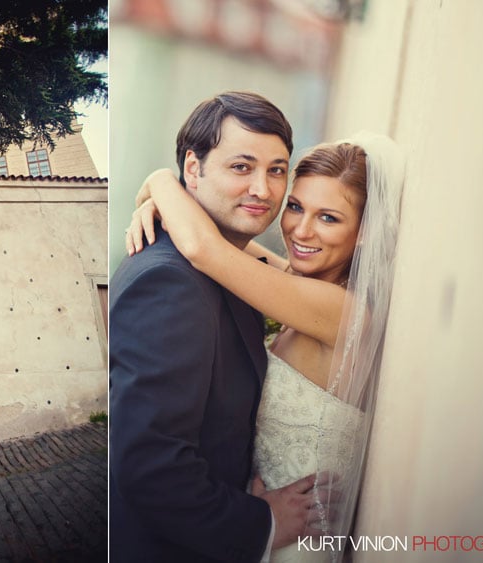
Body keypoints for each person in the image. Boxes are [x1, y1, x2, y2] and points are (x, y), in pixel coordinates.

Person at [126, 131, 406, 562]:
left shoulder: (340, 313)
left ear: (365, 231)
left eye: (328, 218)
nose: (300, 230)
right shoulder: (304, 286)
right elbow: (235, 245)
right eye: (295, 206)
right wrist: (166, 202)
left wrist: (163, 181)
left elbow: (206, 249)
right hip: (261, 521)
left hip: (295, 540)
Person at [109, 91, 322, 562]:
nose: (264, 191)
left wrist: (159, 186)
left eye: (276, 170)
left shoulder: (229, 263)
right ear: (193, 169)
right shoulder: (169, 280)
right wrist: (262, 523)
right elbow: (150, 466)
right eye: (241, 167)